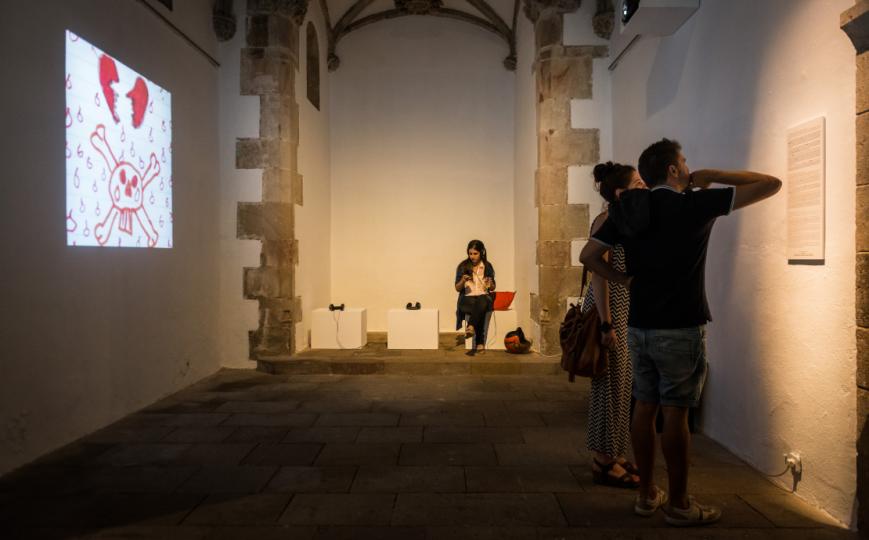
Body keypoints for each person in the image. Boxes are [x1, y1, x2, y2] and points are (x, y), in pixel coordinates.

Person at [580, 139, 781, 526]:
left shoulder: (629, 208)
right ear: (673, 170)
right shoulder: (694, 204)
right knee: (675, 414)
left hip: (639, 325)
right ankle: (679, 504)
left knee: (644, 406)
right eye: (684, 162)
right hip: (680, 326)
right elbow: (770, 184)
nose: (688, 167)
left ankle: (645, 495)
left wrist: (623, 279)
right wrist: (713, 176)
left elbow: (588, 256)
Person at [583, 162, 646, 489]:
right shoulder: (607, 220)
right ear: (621, 192)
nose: (644, 187)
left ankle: (614, 454)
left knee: (621, 386)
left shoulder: (620, 219)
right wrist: (607, 325)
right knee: (609, 387)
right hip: (610, 312)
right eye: (638, 183)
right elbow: (598, 276)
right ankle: (603, 462)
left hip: (621, 311)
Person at [455, 240, 496, 356]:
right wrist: (463, 280)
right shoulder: (463, 266)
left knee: (482, 300)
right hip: (467, 299)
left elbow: (492, 287)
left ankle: (471, 326)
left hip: (483, 298)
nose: (472, 256)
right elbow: (457, 288)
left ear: (481, 252)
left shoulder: (487, 266)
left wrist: (490, 283)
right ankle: (480, 343)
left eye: (475, 253)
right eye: (470, 253)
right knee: (479, 306)